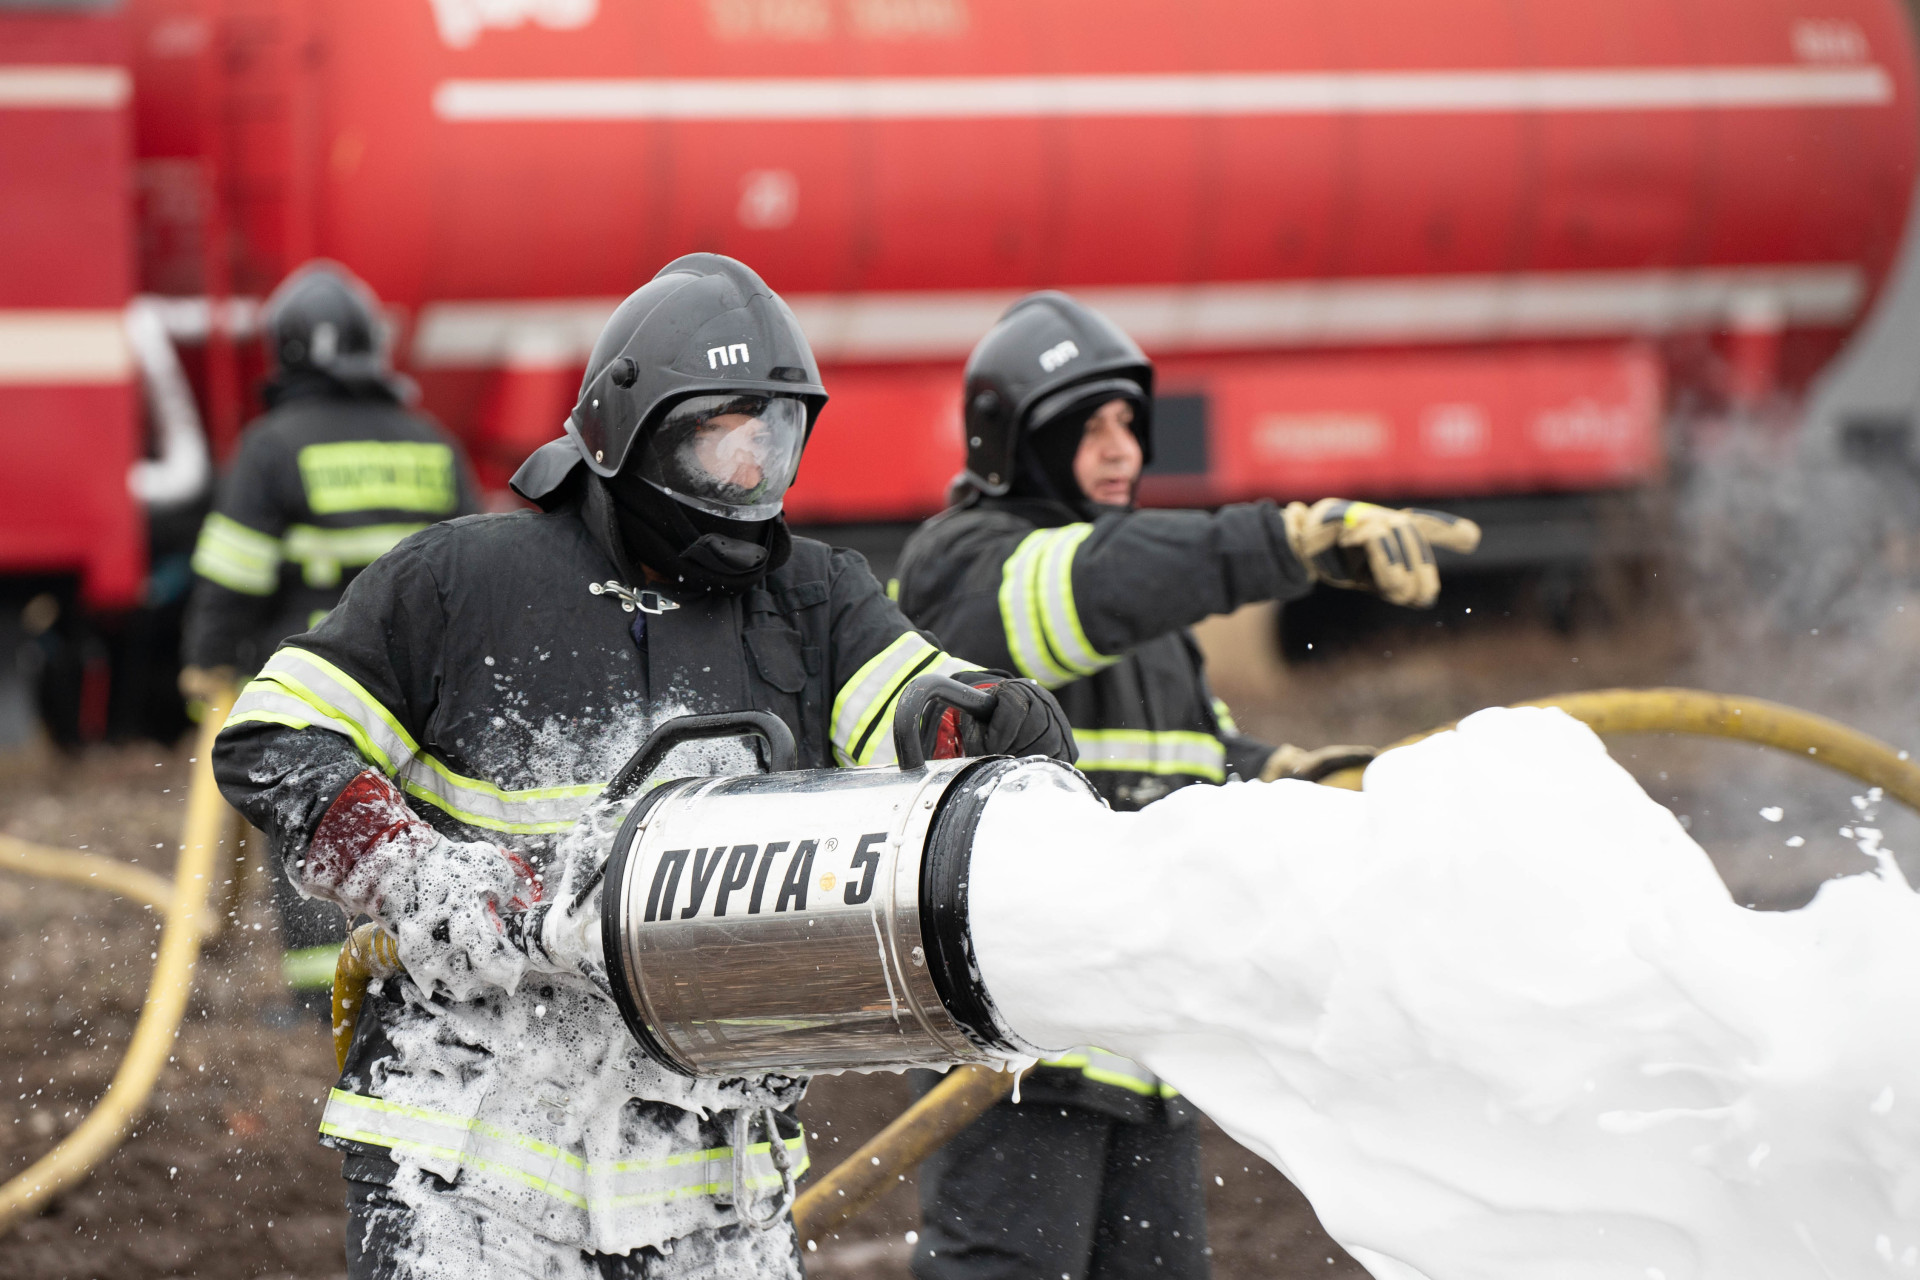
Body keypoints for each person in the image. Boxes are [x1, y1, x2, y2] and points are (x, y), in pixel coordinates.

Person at [209, 254, 1077, 1280]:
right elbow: (270, 732)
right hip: (470, 1162)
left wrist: (970, 719)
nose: (754, 475)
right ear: (632, 434)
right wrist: (415, 872)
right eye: (726, 440)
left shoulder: (812, 598)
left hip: (713, 1181)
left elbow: (907, 700)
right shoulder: (464, 584)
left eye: (779, 439)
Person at [893, 291, 1480, 1280]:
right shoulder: (970, 569)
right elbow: (1093, 584)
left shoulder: (1148, 621)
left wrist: (1300, 777)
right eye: (1090, 424)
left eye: (1129, 421)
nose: (1122, 446)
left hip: (1142, 1047)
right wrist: (1288, 541)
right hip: (1018, 1054)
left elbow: (1196, 759)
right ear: (1018, 443)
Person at [180, 261, 481, 1007]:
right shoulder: (431, 442)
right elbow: (479, 566)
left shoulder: (273, 446)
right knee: (429, 827)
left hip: (324, 689)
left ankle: (328, 996)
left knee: (324, 822)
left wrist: (206, 666)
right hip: (433, 692)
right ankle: (437, 972)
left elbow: (232, 577)